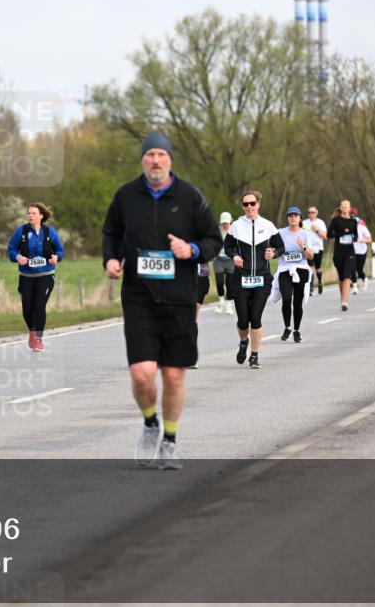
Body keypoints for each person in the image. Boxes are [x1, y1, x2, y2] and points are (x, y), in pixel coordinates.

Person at [102, 132, 222, 470]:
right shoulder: (126, 196)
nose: (156, 160)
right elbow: (110, 233)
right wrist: (111, 259)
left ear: (170, 159)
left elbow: (212, 239)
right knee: (142, 375)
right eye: (150, 154)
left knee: (172, 376)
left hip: (179, 297)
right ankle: (150, 423)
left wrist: (192, 250)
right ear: (143, 159)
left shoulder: (189, 197)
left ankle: (169, 440)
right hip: (139, 297)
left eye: (161, 154)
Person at [224, 190, 284, 369]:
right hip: (241, 279)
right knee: (243, 321)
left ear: (258, 204)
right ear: (243, 206)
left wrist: (273, 253)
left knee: (255, 318)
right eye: (245, 204)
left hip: (262, 279)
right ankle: (244, 342)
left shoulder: (268, 225)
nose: (249, 207)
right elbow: (227, 247)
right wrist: (234, 256)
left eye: (252, 203)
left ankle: (255, 356)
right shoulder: (236, 226)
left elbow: (281, 247)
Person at [7, 202, 64, 352]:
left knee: (39, 306)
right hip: (26, 275)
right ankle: (32, 330)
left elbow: (60, 250)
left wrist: (56, 257)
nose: (30, 216)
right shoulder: (22, 231)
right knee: (27, 309)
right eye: (29, 213)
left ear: (41, 216)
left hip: (45, 274)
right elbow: (11, 249)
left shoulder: (49, 232)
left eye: (33, 213)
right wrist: (18, 257)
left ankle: (38, 338)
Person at [276, 207, 314, 343]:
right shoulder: (280, 232)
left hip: (301, 270)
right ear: (287, 218)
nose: (293, 218)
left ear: (300, 218)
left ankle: (297, 331)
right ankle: (287, 327)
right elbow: (274, 249)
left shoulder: (305, 234)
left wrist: (302, 246)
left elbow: (311, 255)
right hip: (285, 270)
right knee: (286, 299)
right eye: (290, 215)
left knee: (297, 303)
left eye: (295, 215)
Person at [327, 199, 360, 311]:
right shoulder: (335, 220)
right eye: (343, 206)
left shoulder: (353, 221)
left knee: (347, 276)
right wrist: (340, 233)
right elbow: (329, 234)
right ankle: (343, 297)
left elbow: (356, 236)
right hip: (338, 252)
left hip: (350, 252)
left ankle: (345, 302)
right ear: (341, 208)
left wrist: (353, 237)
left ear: (350, 208)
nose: (346, 208)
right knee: (341, 277)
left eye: (347, 206)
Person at [213, 212, 236, 315]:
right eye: (223, 223)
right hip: (219, 260)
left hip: (230, 260)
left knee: (230, 284)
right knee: (219, 281)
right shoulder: (216, 231)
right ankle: (221, 301)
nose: (225, 225)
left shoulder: (234, 230)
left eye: (226, 223)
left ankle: (228, 303)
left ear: (230, 222)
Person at [305, 206, 328, 296]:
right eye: (309, 212)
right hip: (308, 249)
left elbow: (326, 236)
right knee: (309, 268)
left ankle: (320, 281)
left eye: (313, 212)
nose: (311, 214)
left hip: (318, 248)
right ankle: (310, 288)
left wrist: (317, 230)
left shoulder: (320, 223)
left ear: (316, 213)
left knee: (317, 268)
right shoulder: (304, 223)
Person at [351, 207, 372, 293]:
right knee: (352, 268)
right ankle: (355, 286)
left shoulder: (362, 227)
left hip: (361, 250)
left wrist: (361, 240)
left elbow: (369, 239)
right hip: (351, 251)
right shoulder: (348, 228)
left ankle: (364, 278)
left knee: (359, 269)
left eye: (353, 216)